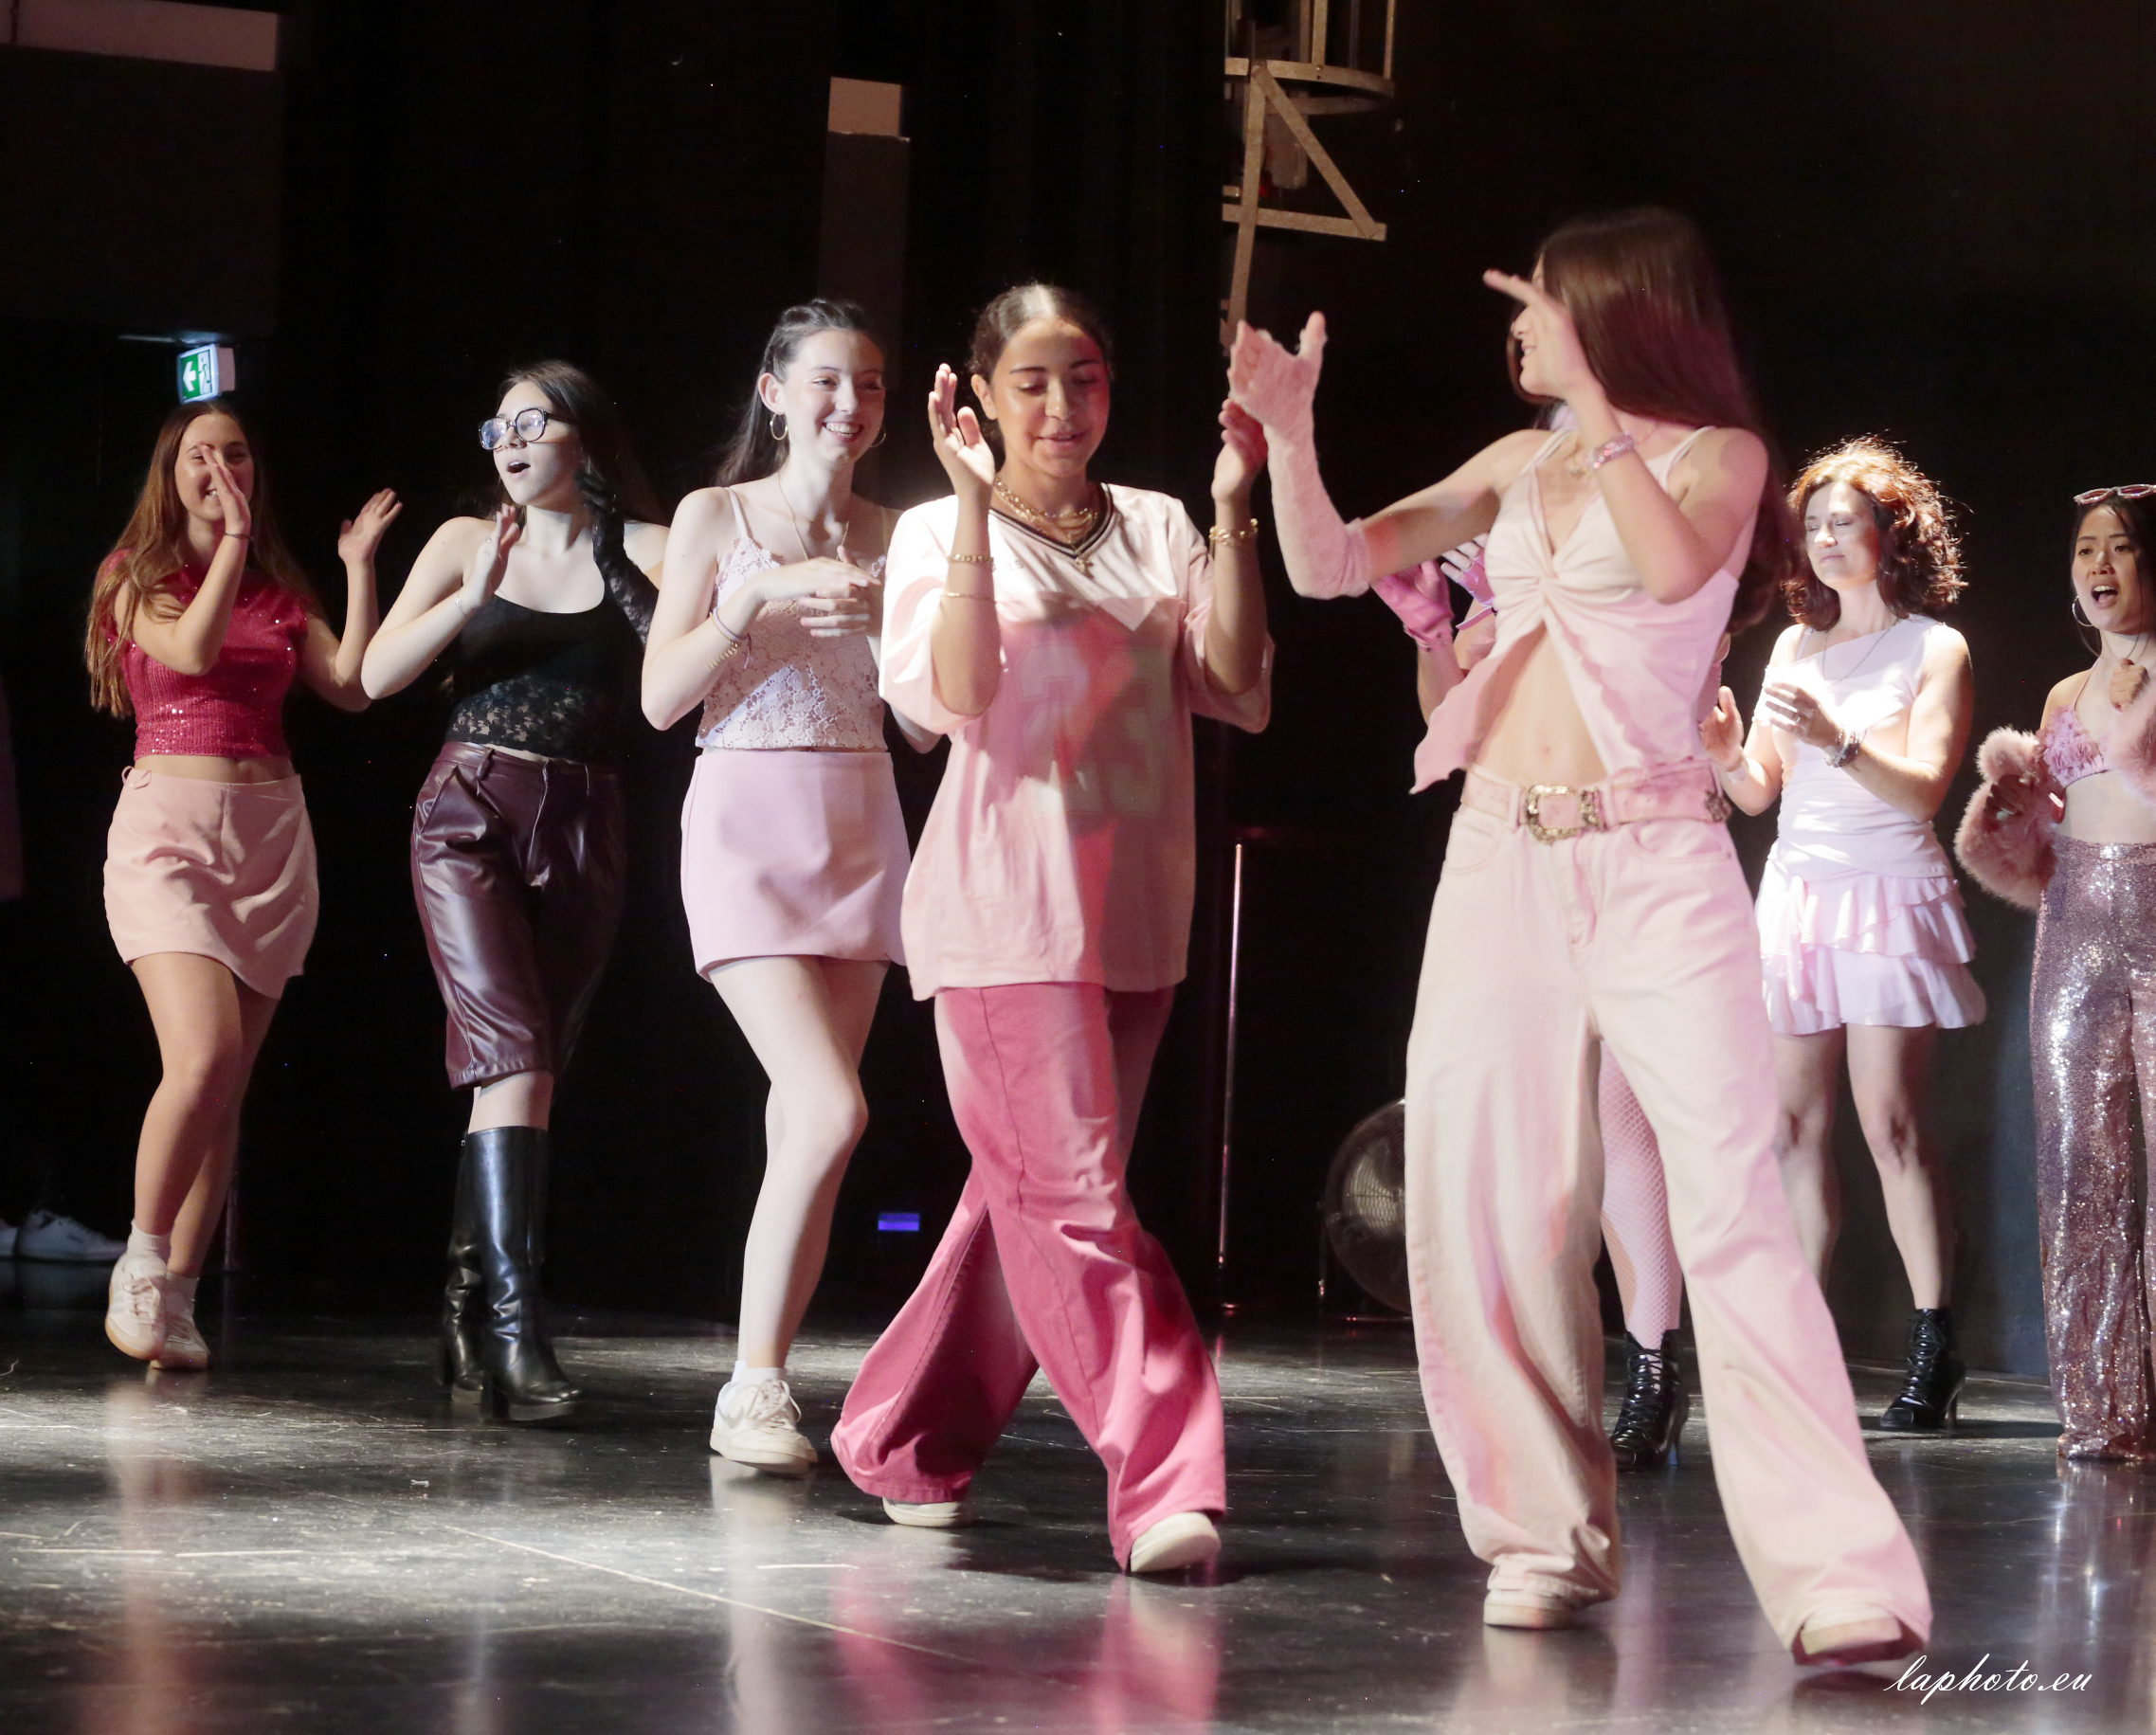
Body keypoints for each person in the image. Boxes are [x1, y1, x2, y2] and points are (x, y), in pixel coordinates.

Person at [1231, 207, 1929, 1661]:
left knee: (1728, 1201)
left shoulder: (1718, 459)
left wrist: (1600, 415)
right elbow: (1330, 564)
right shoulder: (1512, 463)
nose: (1518, 323)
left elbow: (1670, 572)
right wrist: (1289, 439)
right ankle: (1542, 1532)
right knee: (1491, 1197)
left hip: (1657, 851)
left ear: (1614, 314)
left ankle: (1831, 1571)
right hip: (1500, 848)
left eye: (1542, 301)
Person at [827, 284, 1271, 1575]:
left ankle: (903, 1433)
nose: (1060, 405)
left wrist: (1233, 510)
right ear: (977, 395)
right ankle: (1165, 1477)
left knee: (1026, 1199)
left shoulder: (1158, 522)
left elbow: (1233, 681)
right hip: (1000, 912)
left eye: (1081, 378)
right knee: (1070, 1196)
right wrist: (972, 507)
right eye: (1029, 381)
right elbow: (954, 694)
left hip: (1132, 909)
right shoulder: (931, 528)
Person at [362, 363, 668, 1422]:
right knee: (516, 1057)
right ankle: (513, 1328)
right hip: (469, 812)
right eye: (498, 426)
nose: (512, 441)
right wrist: (470, 590)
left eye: (533, 421)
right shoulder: (463, 538)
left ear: (584, 434)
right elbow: (376, 676)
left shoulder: (648, 544)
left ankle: (460, 1313)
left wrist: (619, 558)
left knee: (529, 1074)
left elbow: (688, 668)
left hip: (588, 820)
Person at [641, 301, 914, 1472]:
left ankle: (764, 1375)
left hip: (860, 820)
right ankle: (750, 1388)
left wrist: (895, 618)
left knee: (806, 1125)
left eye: (869, 385)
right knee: (830, 1108)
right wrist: (746, 602)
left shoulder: (903, 532)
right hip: (746, 816)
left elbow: (924, 722)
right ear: (773, 392)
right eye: (826, 381)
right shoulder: (714, 516)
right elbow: (660, 698)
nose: (849, 404)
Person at [86, 400, 388, 1369]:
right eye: (201, 456)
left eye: (238, 454)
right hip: (170, 832)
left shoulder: (276, 589)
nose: (221, 469)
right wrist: (231, 546)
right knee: (203, 1057)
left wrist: (355, 568)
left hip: (269, 837)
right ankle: (140, 1259)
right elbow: (189, 652)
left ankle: (176, 1296)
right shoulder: (133, 576)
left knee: (227, 1089)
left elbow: (350, 685)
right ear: (170, 476)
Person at [1384, 540, 1689, 1471]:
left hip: (1628, 844)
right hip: (1512, 860)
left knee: (1621, 1117)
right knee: (1528, 1132)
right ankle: (1535, 1380)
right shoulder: (1495, 590)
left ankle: (1653, 1366)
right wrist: (1435, 630)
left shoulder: (1635, 555)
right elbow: (1449, 728)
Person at [1700, 438, 1982, 1429]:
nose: (1822, 539)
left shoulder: (1932, 647)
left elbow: (1923, 790)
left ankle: (1934, 1344)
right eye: (1810, 524)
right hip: (1798, 892)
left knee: (1889, 1123)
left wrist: (1835, 738)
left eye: (1842, 521)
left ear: (1888, 533)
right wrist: (1725, 753)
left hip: (1886, 892)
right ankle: (1796, 1353)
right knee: (1789, 1128)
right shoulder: (1792, 646)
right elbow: (1756, 793)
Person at [1957, 486, 2156, 1461]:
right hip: (2074, 928)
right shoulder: (2061, 695)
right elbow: (2040, 832)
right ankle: (2101, 1406)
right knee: (2080, 1161)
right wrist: (2010, 806)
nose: (2099, 564)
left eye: (2120, 546)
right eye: (2085, 548)